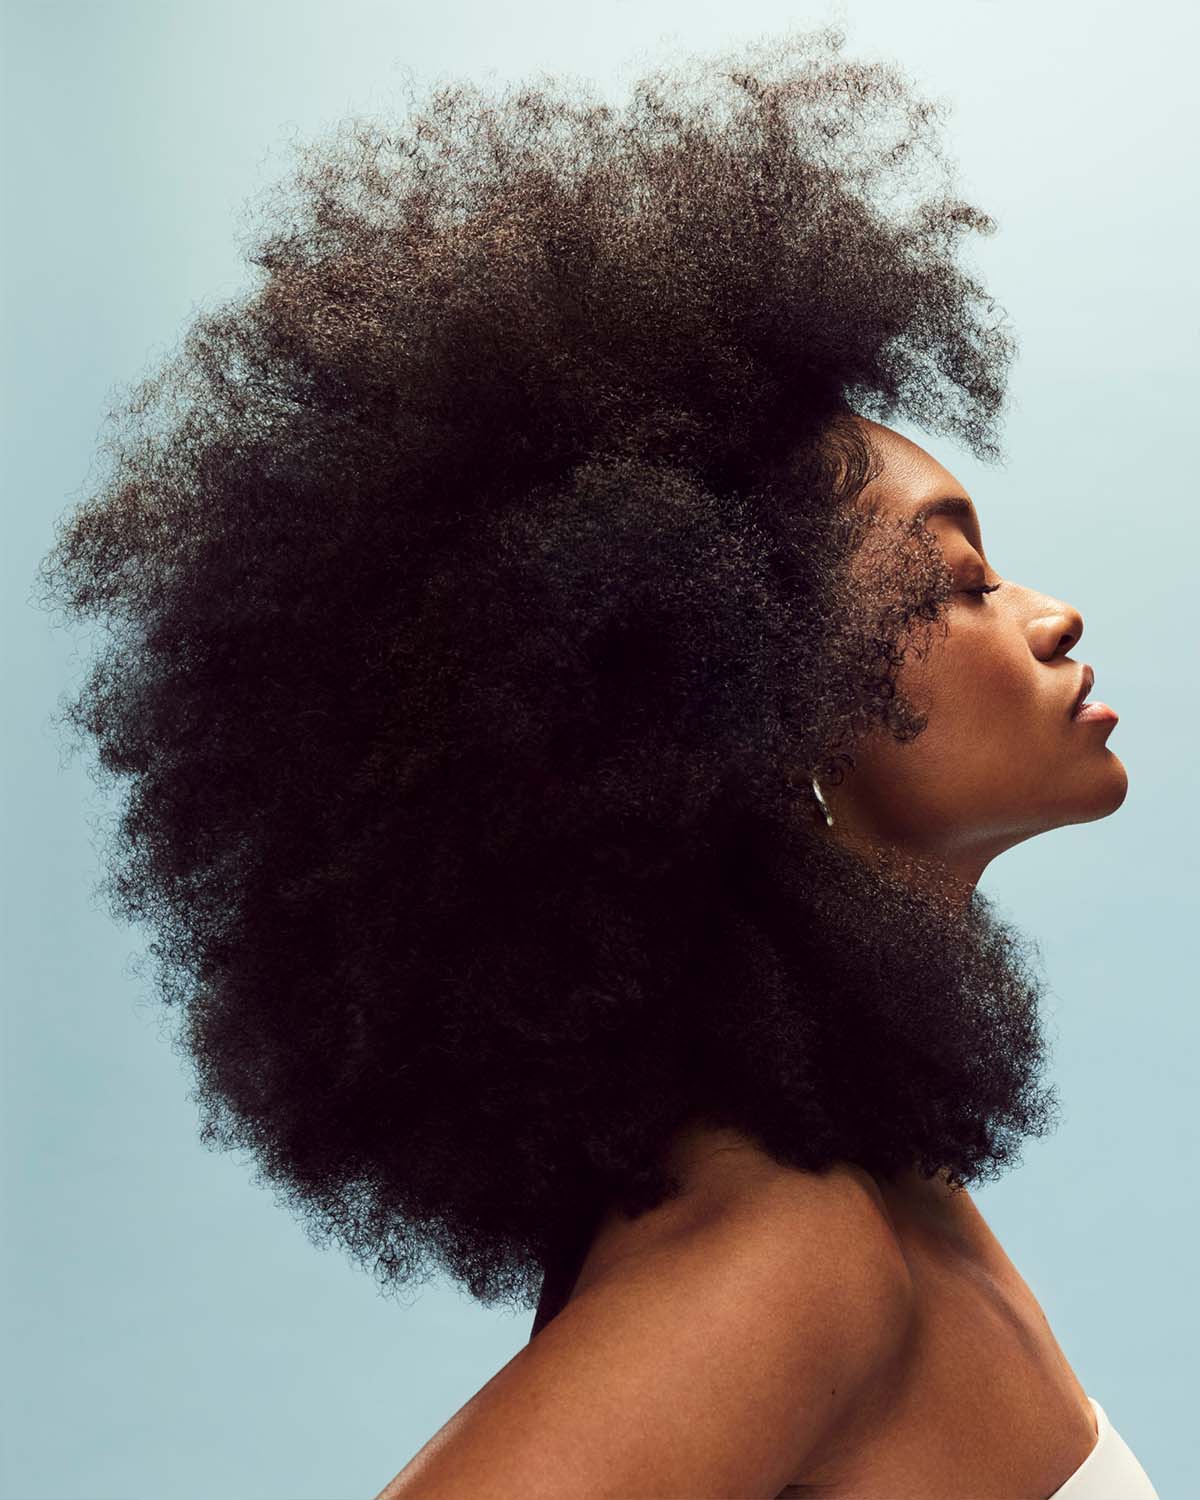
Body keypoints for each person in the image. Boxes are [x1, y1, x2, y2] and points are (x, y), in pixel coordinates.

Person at [35, 25, 1156, 1499]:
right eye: (960, 581)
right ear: (750, 727)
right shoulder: (788, 1250)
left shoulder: (878, 1181)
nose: (1051, 613)